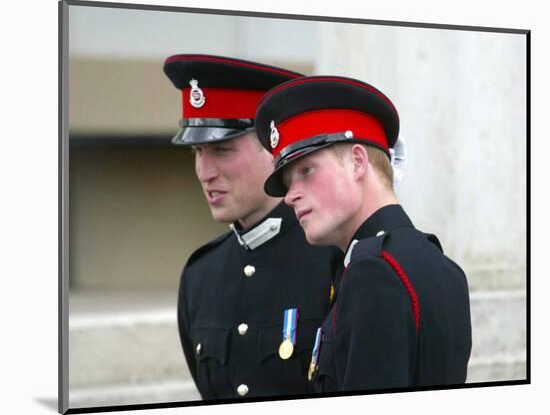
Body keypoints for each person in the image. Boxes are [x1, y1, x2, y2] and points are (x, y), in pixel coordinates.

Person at [255, 75, 472, 392]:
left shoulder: (373, 272)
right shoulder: (438, 262)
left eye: (306, 171)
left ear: (358, 162)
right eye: (288, 182)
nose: (289, 196)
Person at [163, 55, 343, 399]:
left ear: (275, 149)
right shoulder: (200, 275)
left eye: (222, 150)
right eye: (198, 151)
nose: (205, 172)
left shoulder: (333, 257)